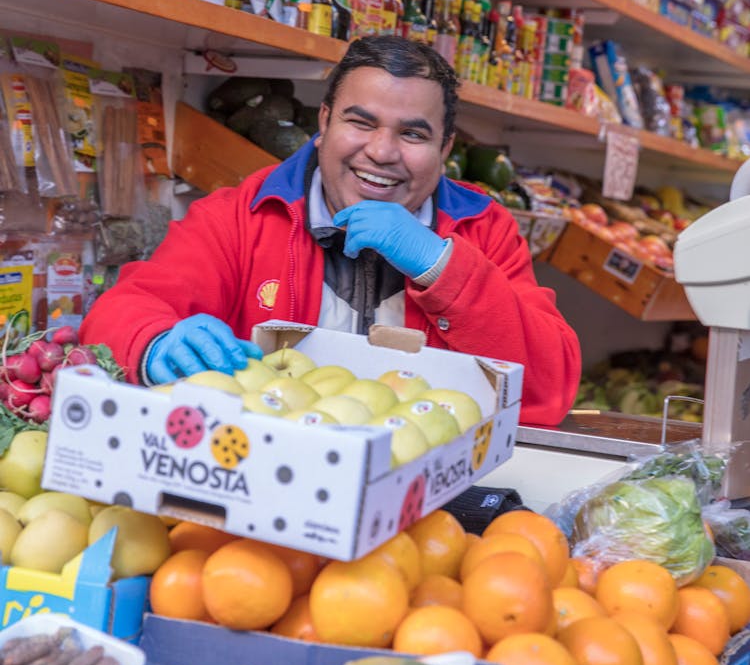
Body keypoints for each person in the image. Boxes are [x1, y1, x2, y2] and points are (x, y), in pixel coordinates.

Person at [81, 36, 581, 427]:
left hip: (429, 501)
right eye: (360, 123)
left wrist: (443, 267)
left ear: (445, 147)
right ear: (324, 122)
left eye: (412, 133)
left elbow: (547, 392)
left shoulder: (484, 231)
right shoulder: (241, 217)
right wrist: (151, 344)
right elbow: (119, 313)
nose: (381, 152)